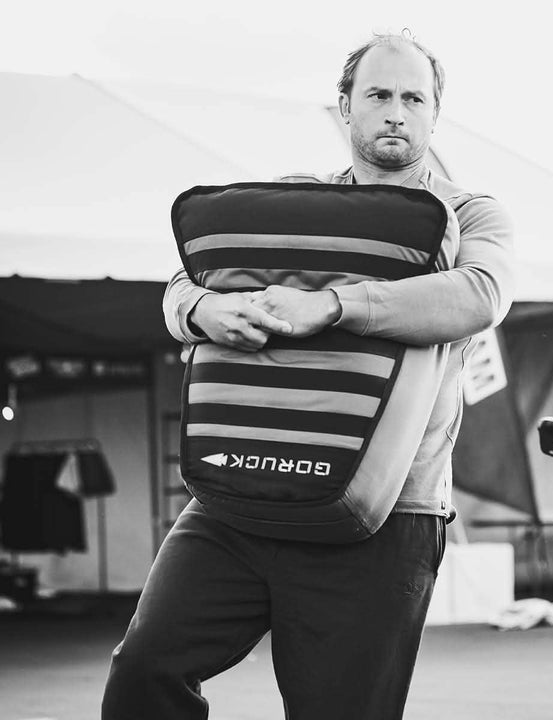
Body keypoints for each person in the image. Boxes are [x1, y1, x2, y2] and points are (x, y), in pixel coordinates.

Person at [102, 30, 514, 720]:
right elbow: (182, 283)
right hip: (238, 499)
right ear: (345, 107)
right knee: (144, 669)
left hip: (385, 516)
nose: (395, 111)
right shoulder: (292, 199)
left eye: (414, 98)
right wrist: (209, 309)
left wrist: (329, 304)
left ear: (435, 114)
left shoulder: (470, 213)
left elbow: (479, 294)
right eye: (378, 94)